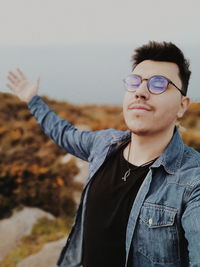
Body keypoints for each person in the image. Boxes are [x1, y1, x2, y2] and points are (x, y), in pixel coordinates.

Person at [7, 41, 200, 267]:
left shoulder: (192, 180)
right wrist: (33, 100)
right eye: (134, 82)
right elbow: (63, 133)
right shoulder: (104, 144)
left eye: (159, 84)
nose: (140, 92)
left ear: (182, 105)